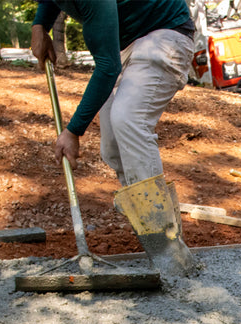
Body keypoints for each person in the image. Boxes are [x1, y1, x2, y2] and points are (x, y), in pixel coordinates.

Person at [31, 0, 197, 278]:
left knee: (128, 119)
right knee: (112, 146)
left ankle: (169, 253)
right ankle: (154, 238)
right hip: (127, 44)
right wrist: (40, 25)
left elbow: (107, 69)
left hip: (166, 34)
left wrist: (73, 131)